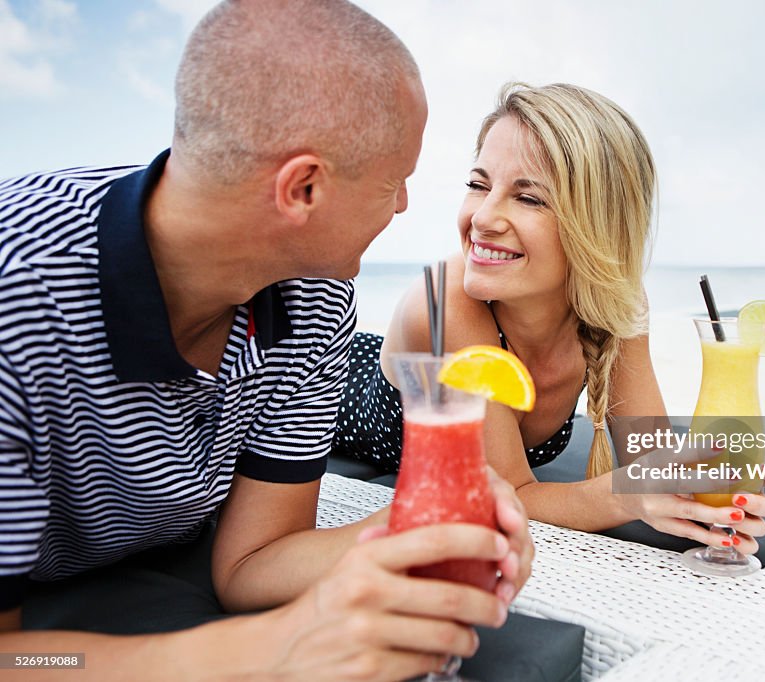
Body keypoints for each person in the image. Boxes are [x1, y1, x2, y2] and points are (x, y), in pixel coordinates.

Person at [0, 2, 534, 680]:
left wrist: (424, 532)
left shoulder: (312, 294)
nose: (403, 206)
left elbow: (254, 561)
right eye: (394, 181)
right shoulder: (16, 300)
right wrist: (271, 647)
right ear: (303, 187)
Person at [333, 82, 765, 550]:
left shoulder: (614, 304)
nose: (483, 217)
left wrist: (704, 488)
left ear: (598, 224)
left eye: (528, 198)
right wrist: (627, 497)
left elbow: (651, 460)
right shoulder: (445, 302)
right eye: (478, 185)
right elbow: (506, 496)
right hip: (337, 380)